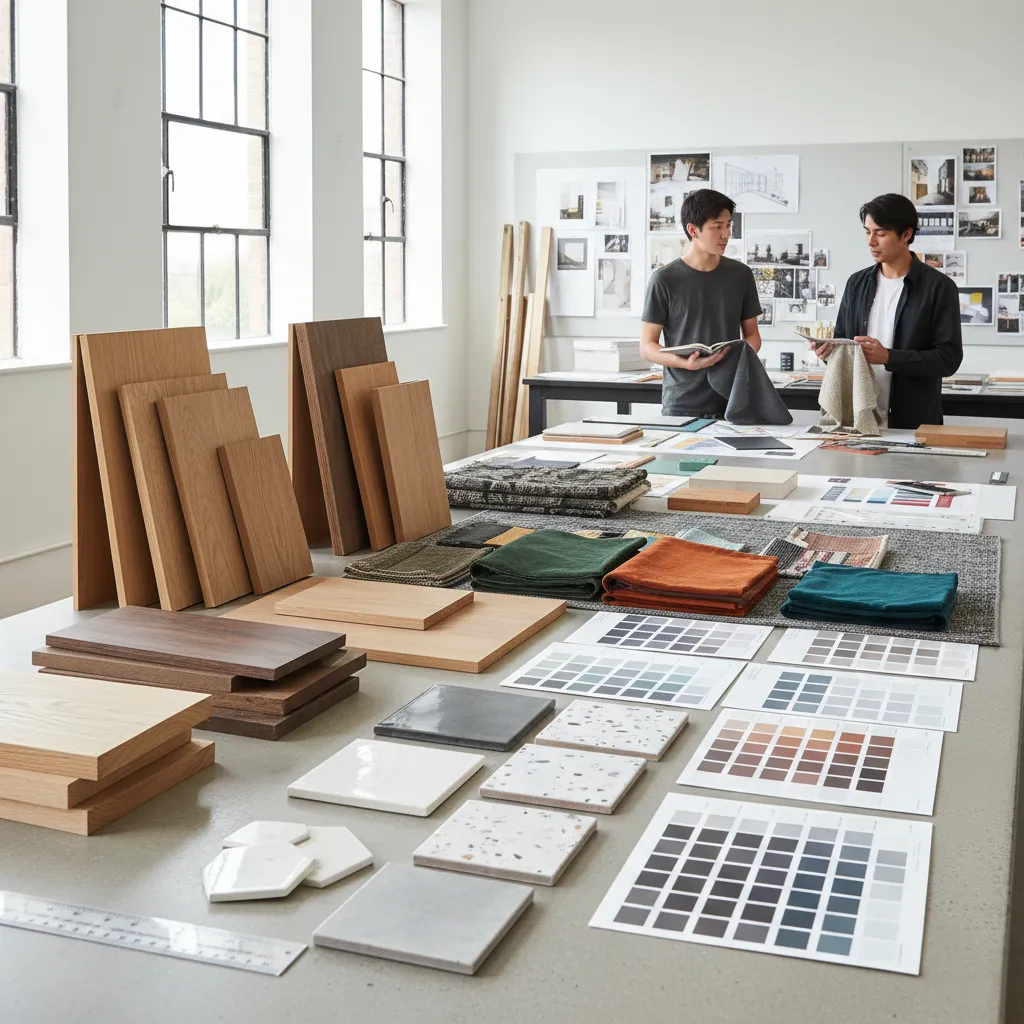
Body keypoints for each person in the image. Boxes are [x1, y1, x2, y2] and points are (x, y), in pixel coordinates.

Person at [810, 193, 962, 428]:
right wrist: (828, 352)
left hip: (913, 424)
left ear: (906, 234)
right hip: (857, 420)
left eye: (880, 233)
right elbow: (843, 346)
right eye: (867, 231)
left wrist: (890, 357)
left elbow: (948, 359)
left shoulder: (939, 288)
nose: (871, 241)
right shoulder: (856, 284)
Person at [640, 189, 764, 417]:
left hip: (732, 399)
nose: (726, 234)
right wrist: (686, 363)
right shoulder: (664, 279)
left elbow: (753, 336)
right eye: (717, 227)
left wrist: (737, 359)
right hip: (683, 402)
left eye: (729, 225)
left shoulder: (741, 275)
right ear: (693, 230)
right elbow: (647, 346)